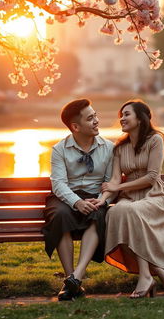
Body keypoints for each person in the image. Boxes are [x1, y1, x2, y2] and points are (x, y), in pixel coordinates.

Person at [100, 99, 164, 299]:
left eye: (127, 114)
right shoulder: (119, 148)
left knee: (129, 211)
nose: (122, 118)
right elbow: (113, 180)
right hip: (130, 197)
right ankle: (156, 274)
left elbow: (151, 177)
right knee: (114, 212)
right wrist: (102, 200)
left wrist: (119, 187)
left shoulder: (155, 139)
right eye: (121, 114)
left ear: (140, 118)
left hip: (154, 196)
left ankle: (147, 277)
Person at [42, 99, 114, 301]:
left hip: (95, 199)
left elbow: (110, 184)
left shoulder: (109, 148)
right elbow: (58, 185)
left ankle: (76, 278)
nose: (96, 121)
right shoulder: (60, 150)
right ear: (75, 126)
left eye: (95, 115)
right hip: (65, 198)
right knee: (60, 215)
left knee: (97, 214)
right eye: (90, 118)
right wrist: (76, 202)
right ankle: (69, 277)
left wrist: (102, 201)